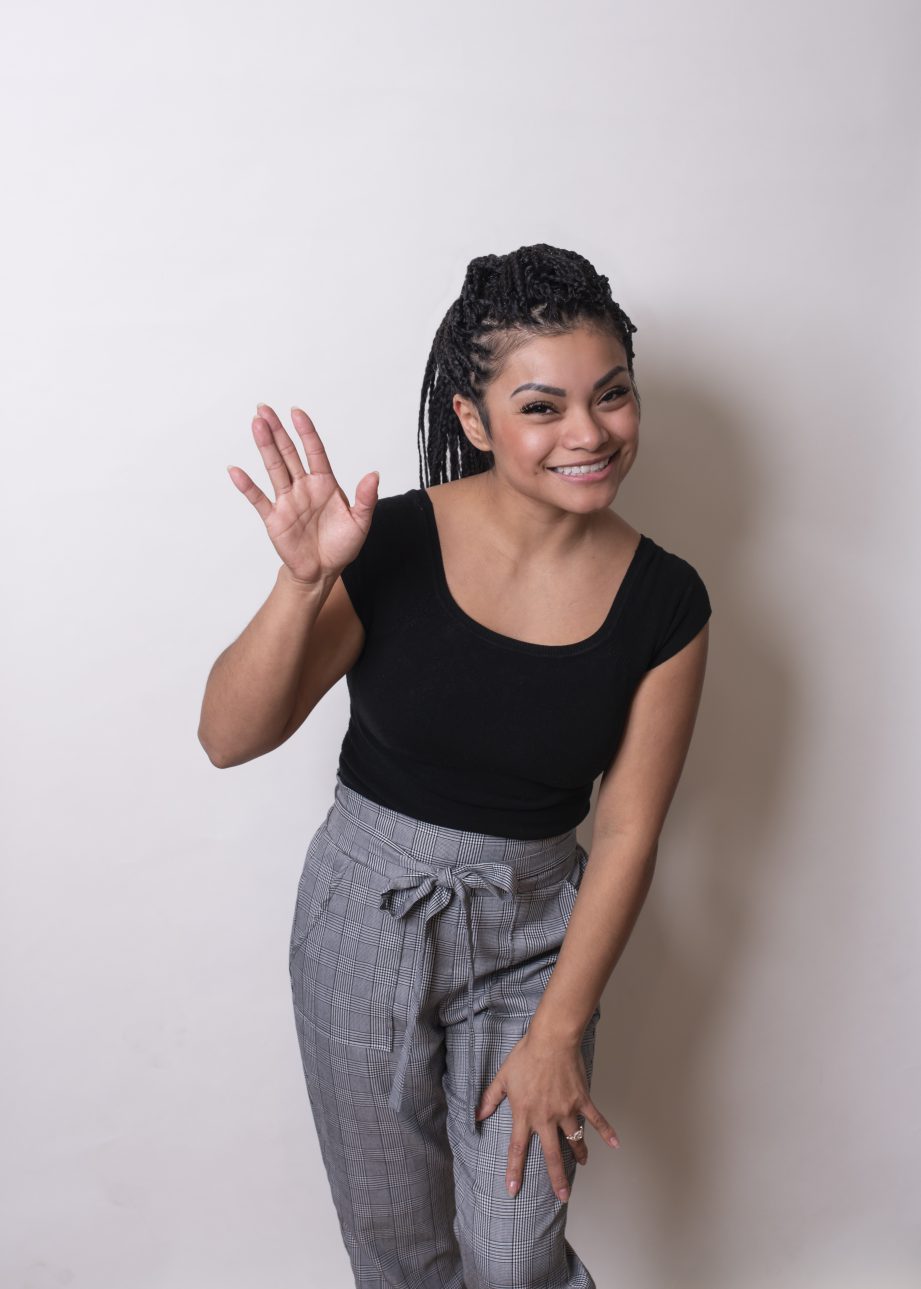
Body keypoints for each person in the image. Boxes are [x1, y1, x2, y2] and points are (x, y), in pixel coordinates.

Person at [198, 243, 712, 1289]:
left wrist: (560, 1025)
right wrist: (300, 587)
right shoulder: (383, 546)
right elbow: (228, 735)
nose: (589, 432)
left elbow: (626, 830)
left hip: (534, 941)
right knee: (400, 1251)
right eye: (544, 406)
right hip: (361, 916)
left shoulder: (666, 600)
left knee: (516, 1254)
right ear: (474, 419)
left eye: (612, 395)